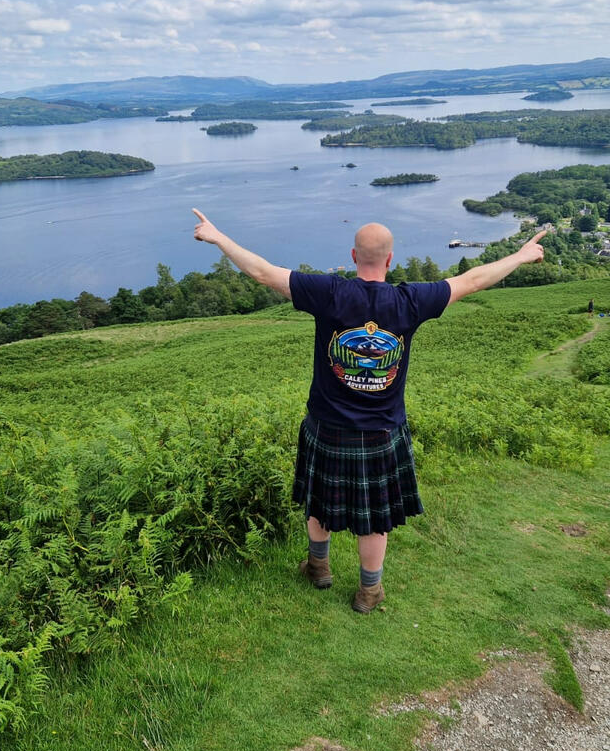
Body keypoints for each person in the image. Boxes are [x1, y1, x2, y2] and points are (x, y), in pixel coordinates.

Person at [191, 209, 545, 613]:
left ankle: (319, 567)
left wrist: (219, 237)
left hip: (326, 425)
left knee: (319, 501)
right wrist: (520, 257)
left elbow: (263, 272)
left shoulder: (331, 293)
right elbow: (472, 280)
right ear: (390, 260)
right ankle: (368, 592)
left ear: (354, 256)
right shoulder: (411, 300)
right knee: (375, 517)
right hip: (382, 432)